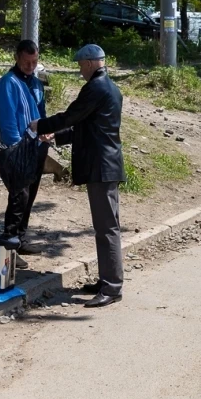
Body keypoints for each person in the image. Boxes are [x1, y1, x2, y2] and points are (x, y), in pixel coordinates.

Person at [30, 44, 127, 308]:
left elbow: (71, 117)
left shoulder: (95, 88)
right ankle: (106, 280)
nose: (80, 70)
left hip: (101, 167)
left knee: (107, 228)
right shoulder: (110, 88)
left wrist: (41, 125)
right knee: (104, 227)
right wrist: (56, 136)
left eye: (81, 65)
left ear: (90, 63)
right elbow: (88, 127)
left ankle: (112, 287)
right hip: (105, 165)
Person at [0, 39, 48, 269]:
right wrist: (16, 148)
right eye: (27, 62)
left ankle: (21, 238)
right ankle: (9, 245)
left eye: (34, 62)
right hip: (20, 147)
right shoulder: (8, 82)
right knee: (19, 196)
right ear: (17, 57)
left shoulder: (36, 82)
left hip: (38, 145)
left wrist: (47, 131)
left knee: (31, 193)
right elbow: (8, 120)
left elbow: (42, 113)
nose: (31, 66)